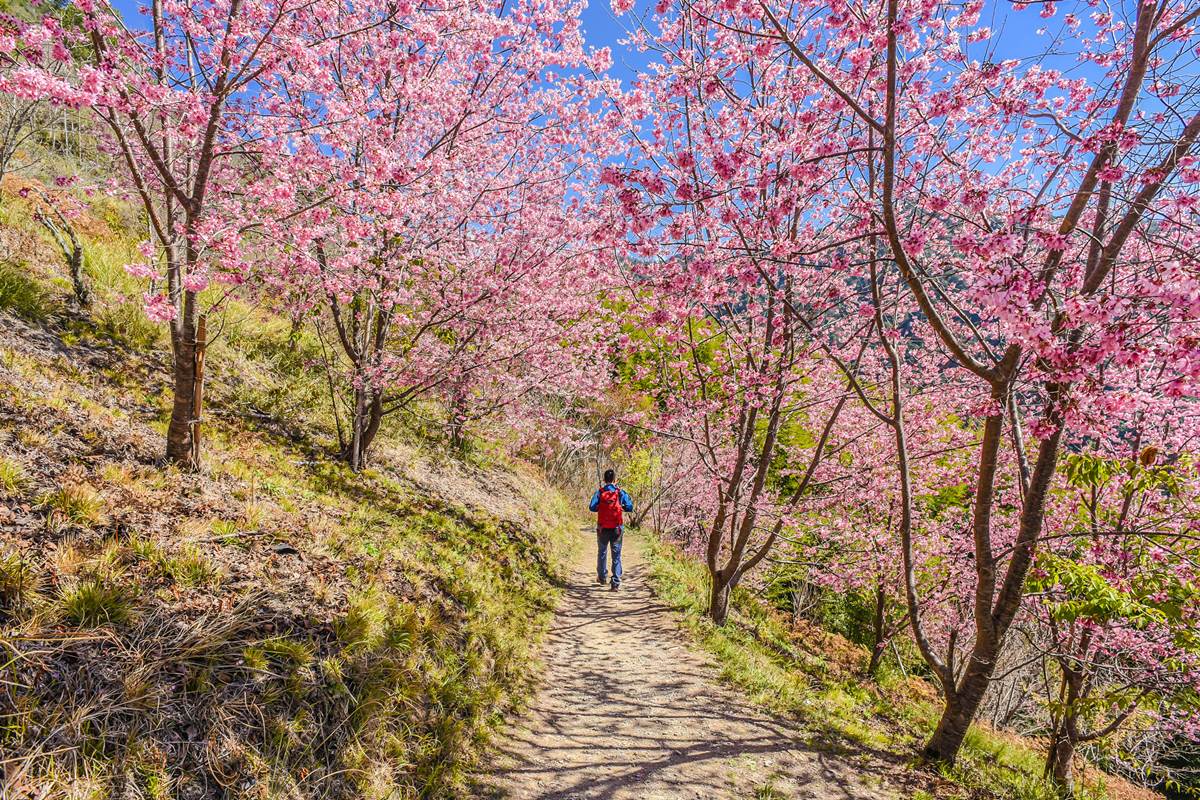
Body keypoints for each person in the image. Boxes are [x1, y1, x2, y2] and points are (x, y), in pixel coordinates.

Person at [589, 468, 633, 590]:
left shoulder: (599, 492)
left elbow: (592, 507)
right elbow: (630, 507)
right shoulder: (620, 493)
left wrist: (601, 507)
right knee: (616, 555)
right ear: (615, 480)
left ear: (604, 480)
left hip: (602, 527)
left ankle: (602, 577)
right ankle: (615, 582)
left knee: (602, 552)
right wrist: (622, 506)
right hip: (617, 529)